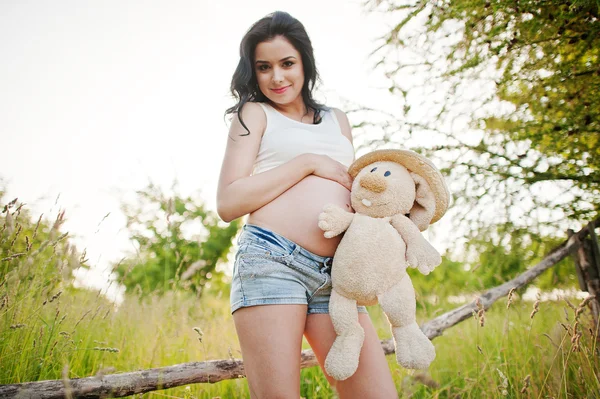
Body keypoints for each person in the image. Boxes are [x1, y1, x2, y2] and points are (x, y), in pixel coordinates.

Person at [216, 11, 398, 399]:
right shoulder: (254, 114)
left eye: (287, 64)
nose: (276, 77)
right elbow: (228, 202)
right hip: (272, 261)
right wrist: (307, 163)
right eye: (263, 67)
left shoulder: (338, 120)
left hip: (338, 276)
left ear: (305, 63)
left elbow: (354, 189)